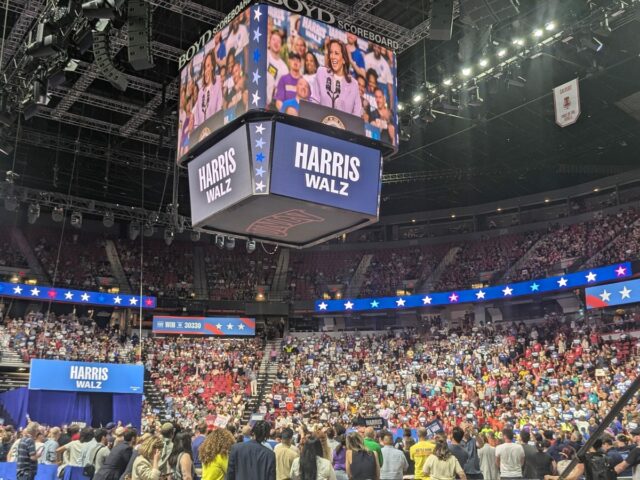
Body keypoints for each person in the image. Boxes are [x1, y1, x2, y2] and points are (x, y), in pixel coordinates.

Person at [310, 39, 363, 117]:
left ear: (344, 59)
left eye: (336, 53)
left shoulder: (353, 84)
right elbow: (314, 101)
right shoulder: (321, 72)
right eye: (331, 53)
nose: (332, 56)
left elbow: (357, 114)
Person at [194, 51, 223, 128]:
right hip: (202, 133)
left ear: (212, 66)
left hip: (215, 128)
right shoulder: (201, 93)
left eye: (208, 66)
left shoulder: (218, 81)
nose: (206, 70)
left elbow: (219, 109)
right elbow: (196, 121)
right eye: (204, 67)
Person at [266, 30, 289, 106]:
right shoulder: (263, 54)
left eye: (279, 41)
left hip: (273, 102)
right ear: (269, 42)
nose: (276, 43)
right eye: (274, 40)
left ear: (281, 46)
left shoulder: (284, 68)